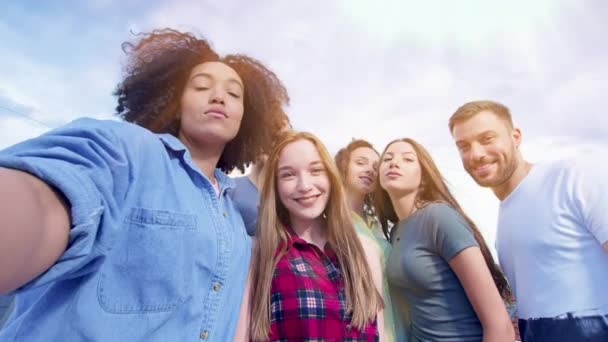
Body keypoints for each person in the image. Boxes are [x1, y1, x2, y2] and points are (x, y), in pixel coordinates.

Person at [0, 28, 289, 341]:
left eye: (234, 94)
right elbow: (50, 197)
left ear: (245, 117)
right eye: (201, 86)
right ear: (175, 103)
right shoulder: (131, 151)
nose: (219, 96)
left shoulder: (234, 220)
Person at [449, 100, 608, 341]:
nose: (476, 154)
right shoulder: (503, 219)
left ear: (515, 137)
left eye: (487, 138)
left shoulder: (574, 176)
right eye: (464, 146)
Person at [245, 131, 384, 341]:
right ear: (275, 187)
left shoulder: (365, 251)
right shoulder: (259, 252)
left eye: (316, 170)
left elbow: (378, 332)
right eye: (288, 174)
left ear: (330, 176)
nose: (304, 186)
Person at [375, 138, 514, 342]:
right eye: (387, 158)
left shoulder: (439, 217)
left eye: (407, 159)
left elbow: (500, 326)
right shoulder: (396, 230)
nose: (394, 163)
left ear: (423, 178)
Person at [335, 139, 403, 341]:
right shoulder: (330, 221)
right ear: (343, 166)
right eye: (361, 162)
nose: (370, 170)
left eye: (376, 166)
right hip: (357, 327)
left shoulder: (378, 225)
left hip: (396, 324)